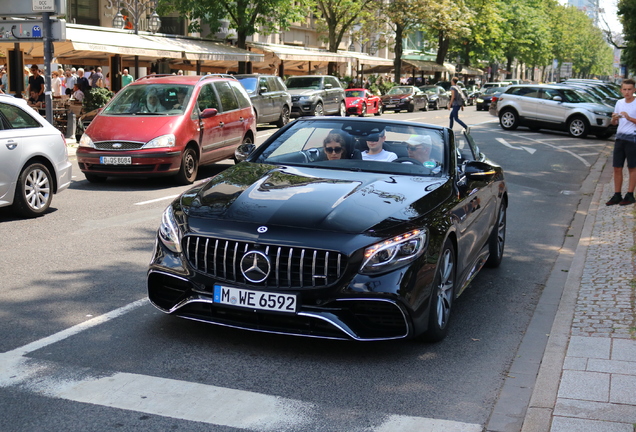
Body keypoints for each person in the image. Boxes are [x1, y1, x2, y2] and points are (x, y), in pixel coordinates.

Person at [606, 78, 636, 206]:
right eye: (624, 89)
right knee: (617, 167)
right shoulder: (619, 103)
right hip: (619, 138)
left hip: (633, 139)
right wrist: (613, 119)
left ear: (634, 90)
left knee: (632, 167)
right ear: (621, 90)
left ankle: (630, 194)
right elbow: (614, 123)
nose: (627, 92)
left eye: (629, 89)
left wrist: (629, 118)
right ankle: (617, 194)